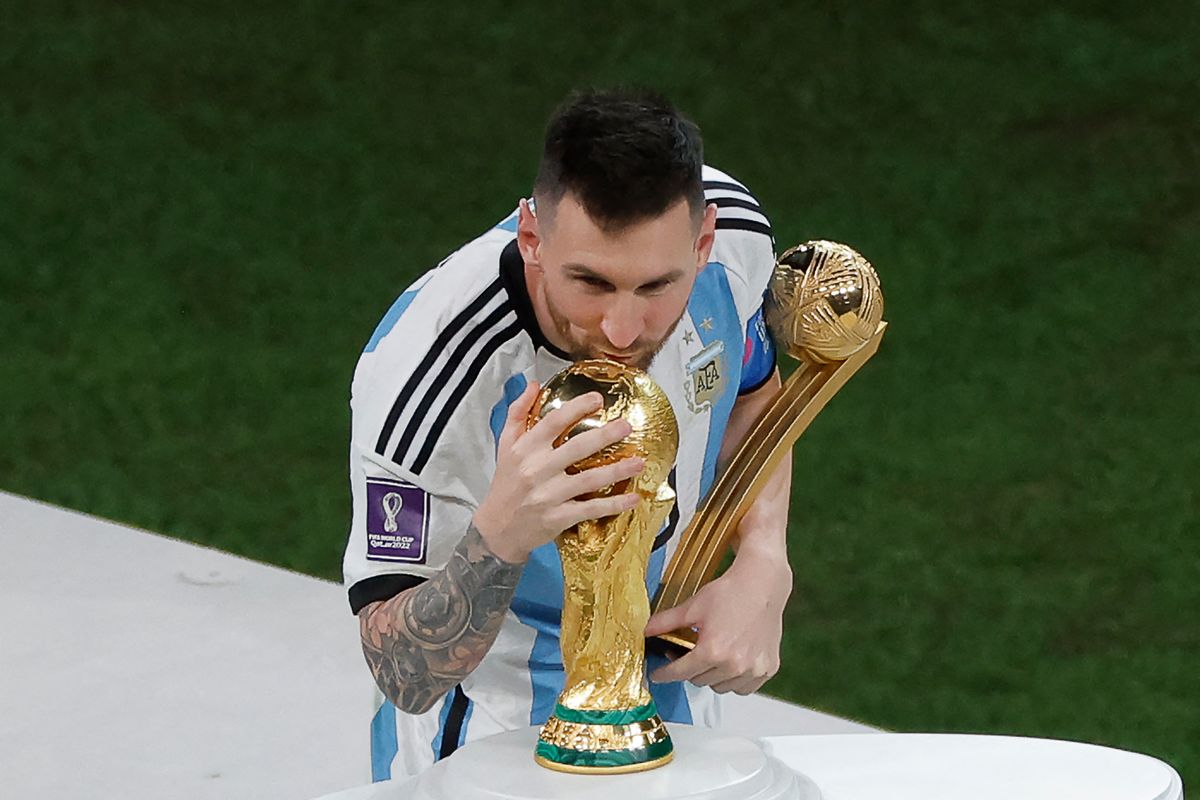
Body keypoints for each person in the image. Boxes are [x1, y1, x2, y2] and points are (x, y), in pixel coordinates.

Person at [343, 87, 793, 781]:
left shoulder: (734, 238)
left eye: (655, 287)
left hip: (674, 715)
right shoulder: (432, 369)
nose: (621, 329)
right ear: (531, 236)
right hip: (488, 748)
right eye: (589, 282)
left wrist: (763, 558)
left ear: (701, 241)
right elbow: (401, 670)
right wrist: (503, 534)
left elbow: (755, 392)